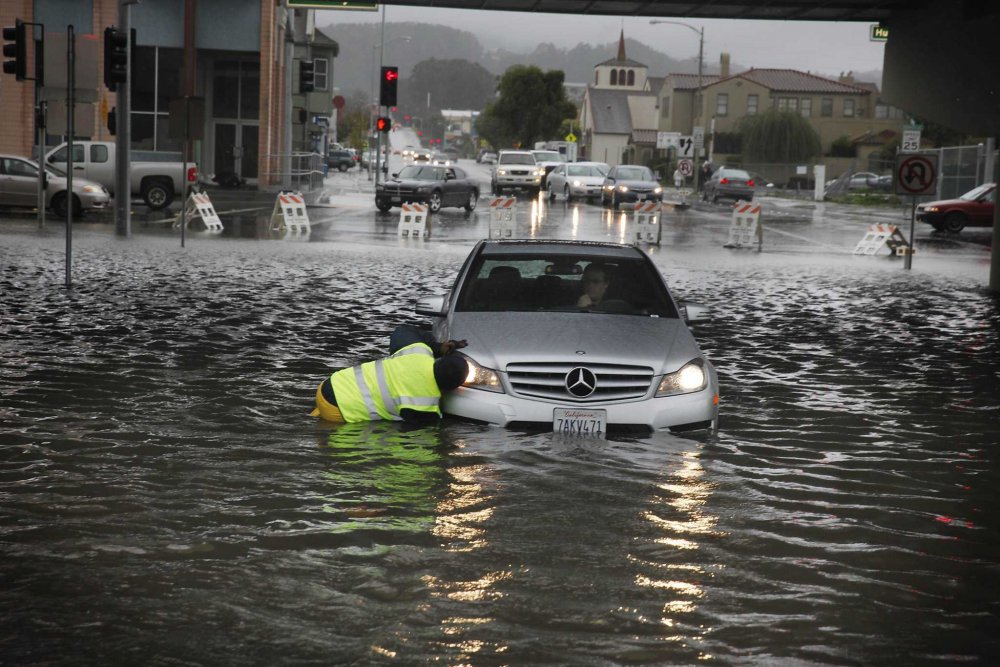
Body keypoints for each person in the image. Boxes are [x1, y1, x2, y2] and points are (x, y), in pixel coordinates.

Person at [310, 324, 468, 425]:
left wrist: (438, 347)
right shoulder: (425, 407)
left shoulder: (418, 351)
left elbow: (403, 330)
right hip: (337, 411)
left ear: (440, 361)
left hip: (330, 384)